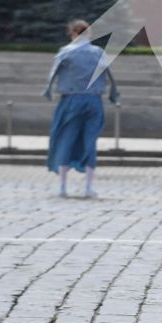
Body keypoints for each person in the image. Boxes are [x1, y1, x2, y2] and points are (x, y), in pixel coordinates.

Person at [44, 18, 119, 199]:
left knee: (65, 139)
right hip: (93, 100)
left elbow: (53, 73)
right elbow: (108, 73)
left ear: (72, 33)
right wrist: (113, 95)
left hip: (71, 100)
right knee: (90, 141)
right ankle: (88, 187)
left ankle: (62, 186)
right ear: (89, 33)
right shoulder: (98, 52)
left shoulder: (66, 52)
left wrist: (48, 91)